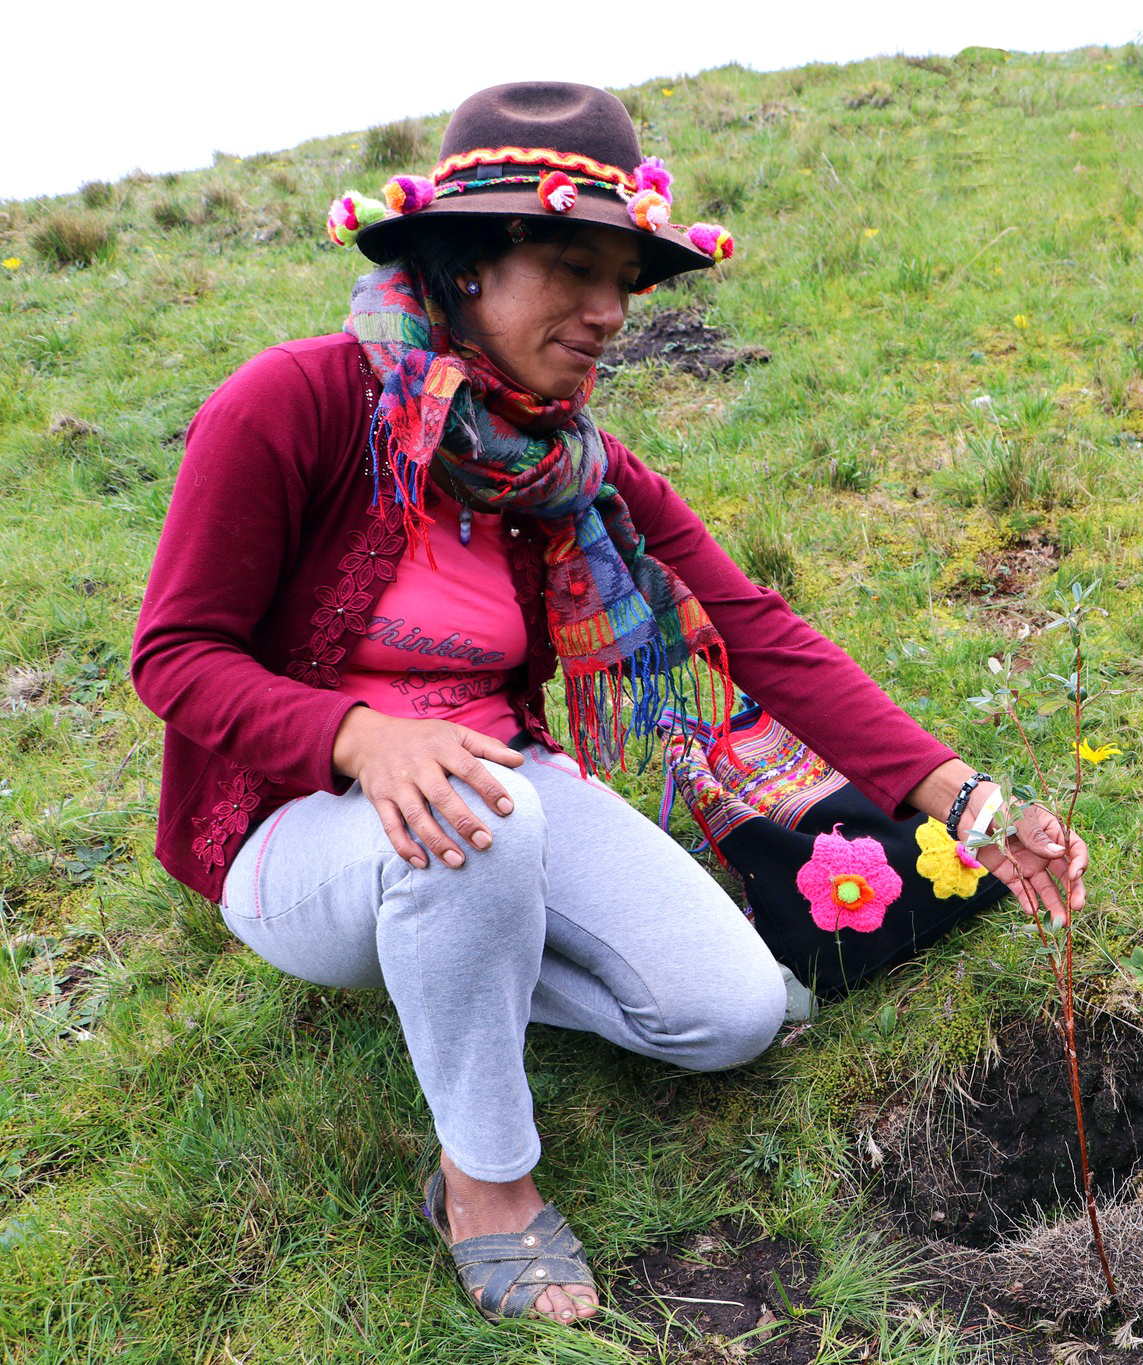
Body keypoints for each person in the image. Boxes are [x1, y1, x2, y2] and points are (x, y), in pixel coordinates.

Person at [130, 81, 1088, 1326]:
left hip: (491, 799)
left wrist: (969, 802)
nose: (608, 314)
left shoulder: (570, 464)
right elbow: (176, 655)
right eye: (571, 270)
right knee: (491, 821)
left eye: (625, 281)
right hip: (297, 833)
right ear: (466, 262)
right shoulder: (298, 404)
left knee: (731, 1015)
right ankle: (486, 1184)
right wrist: (360, 736)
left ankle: (458, 962)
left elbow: (757, 632)